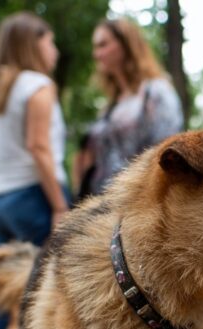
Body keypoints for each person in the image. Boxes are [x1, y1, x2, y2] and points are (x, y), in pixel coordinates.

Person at [0, 12, 69, 329]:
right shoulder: (37, 85)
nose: (55, 50)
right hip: (32, 193)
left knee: (0, 287)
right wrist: (60, 204)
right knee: (40, 290)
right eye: (49, 41)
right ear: (33, 44)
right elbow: (38, 147)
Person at [76, 18, 183, 198]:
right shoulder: (111, 103)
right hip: (100, 204)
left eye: (103, 44)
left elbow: (166, 152)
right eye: (95, 47)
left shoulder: (155, 92)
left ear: (126, 45)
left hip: (134, 203)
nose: (96, 54)